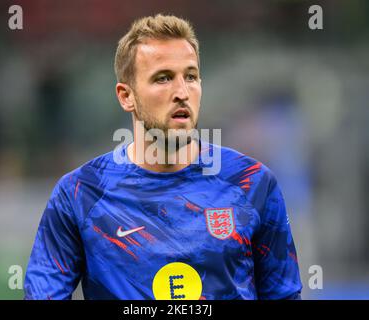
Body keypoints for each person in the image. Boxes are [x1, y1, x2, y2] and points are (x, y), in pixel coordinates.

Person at [24, 14, 302, 300]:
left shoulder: (253, 183)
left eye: (191, 76)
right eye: (163, 78)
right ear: (126, 96)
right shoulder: (79, 195)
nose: (182, 92)